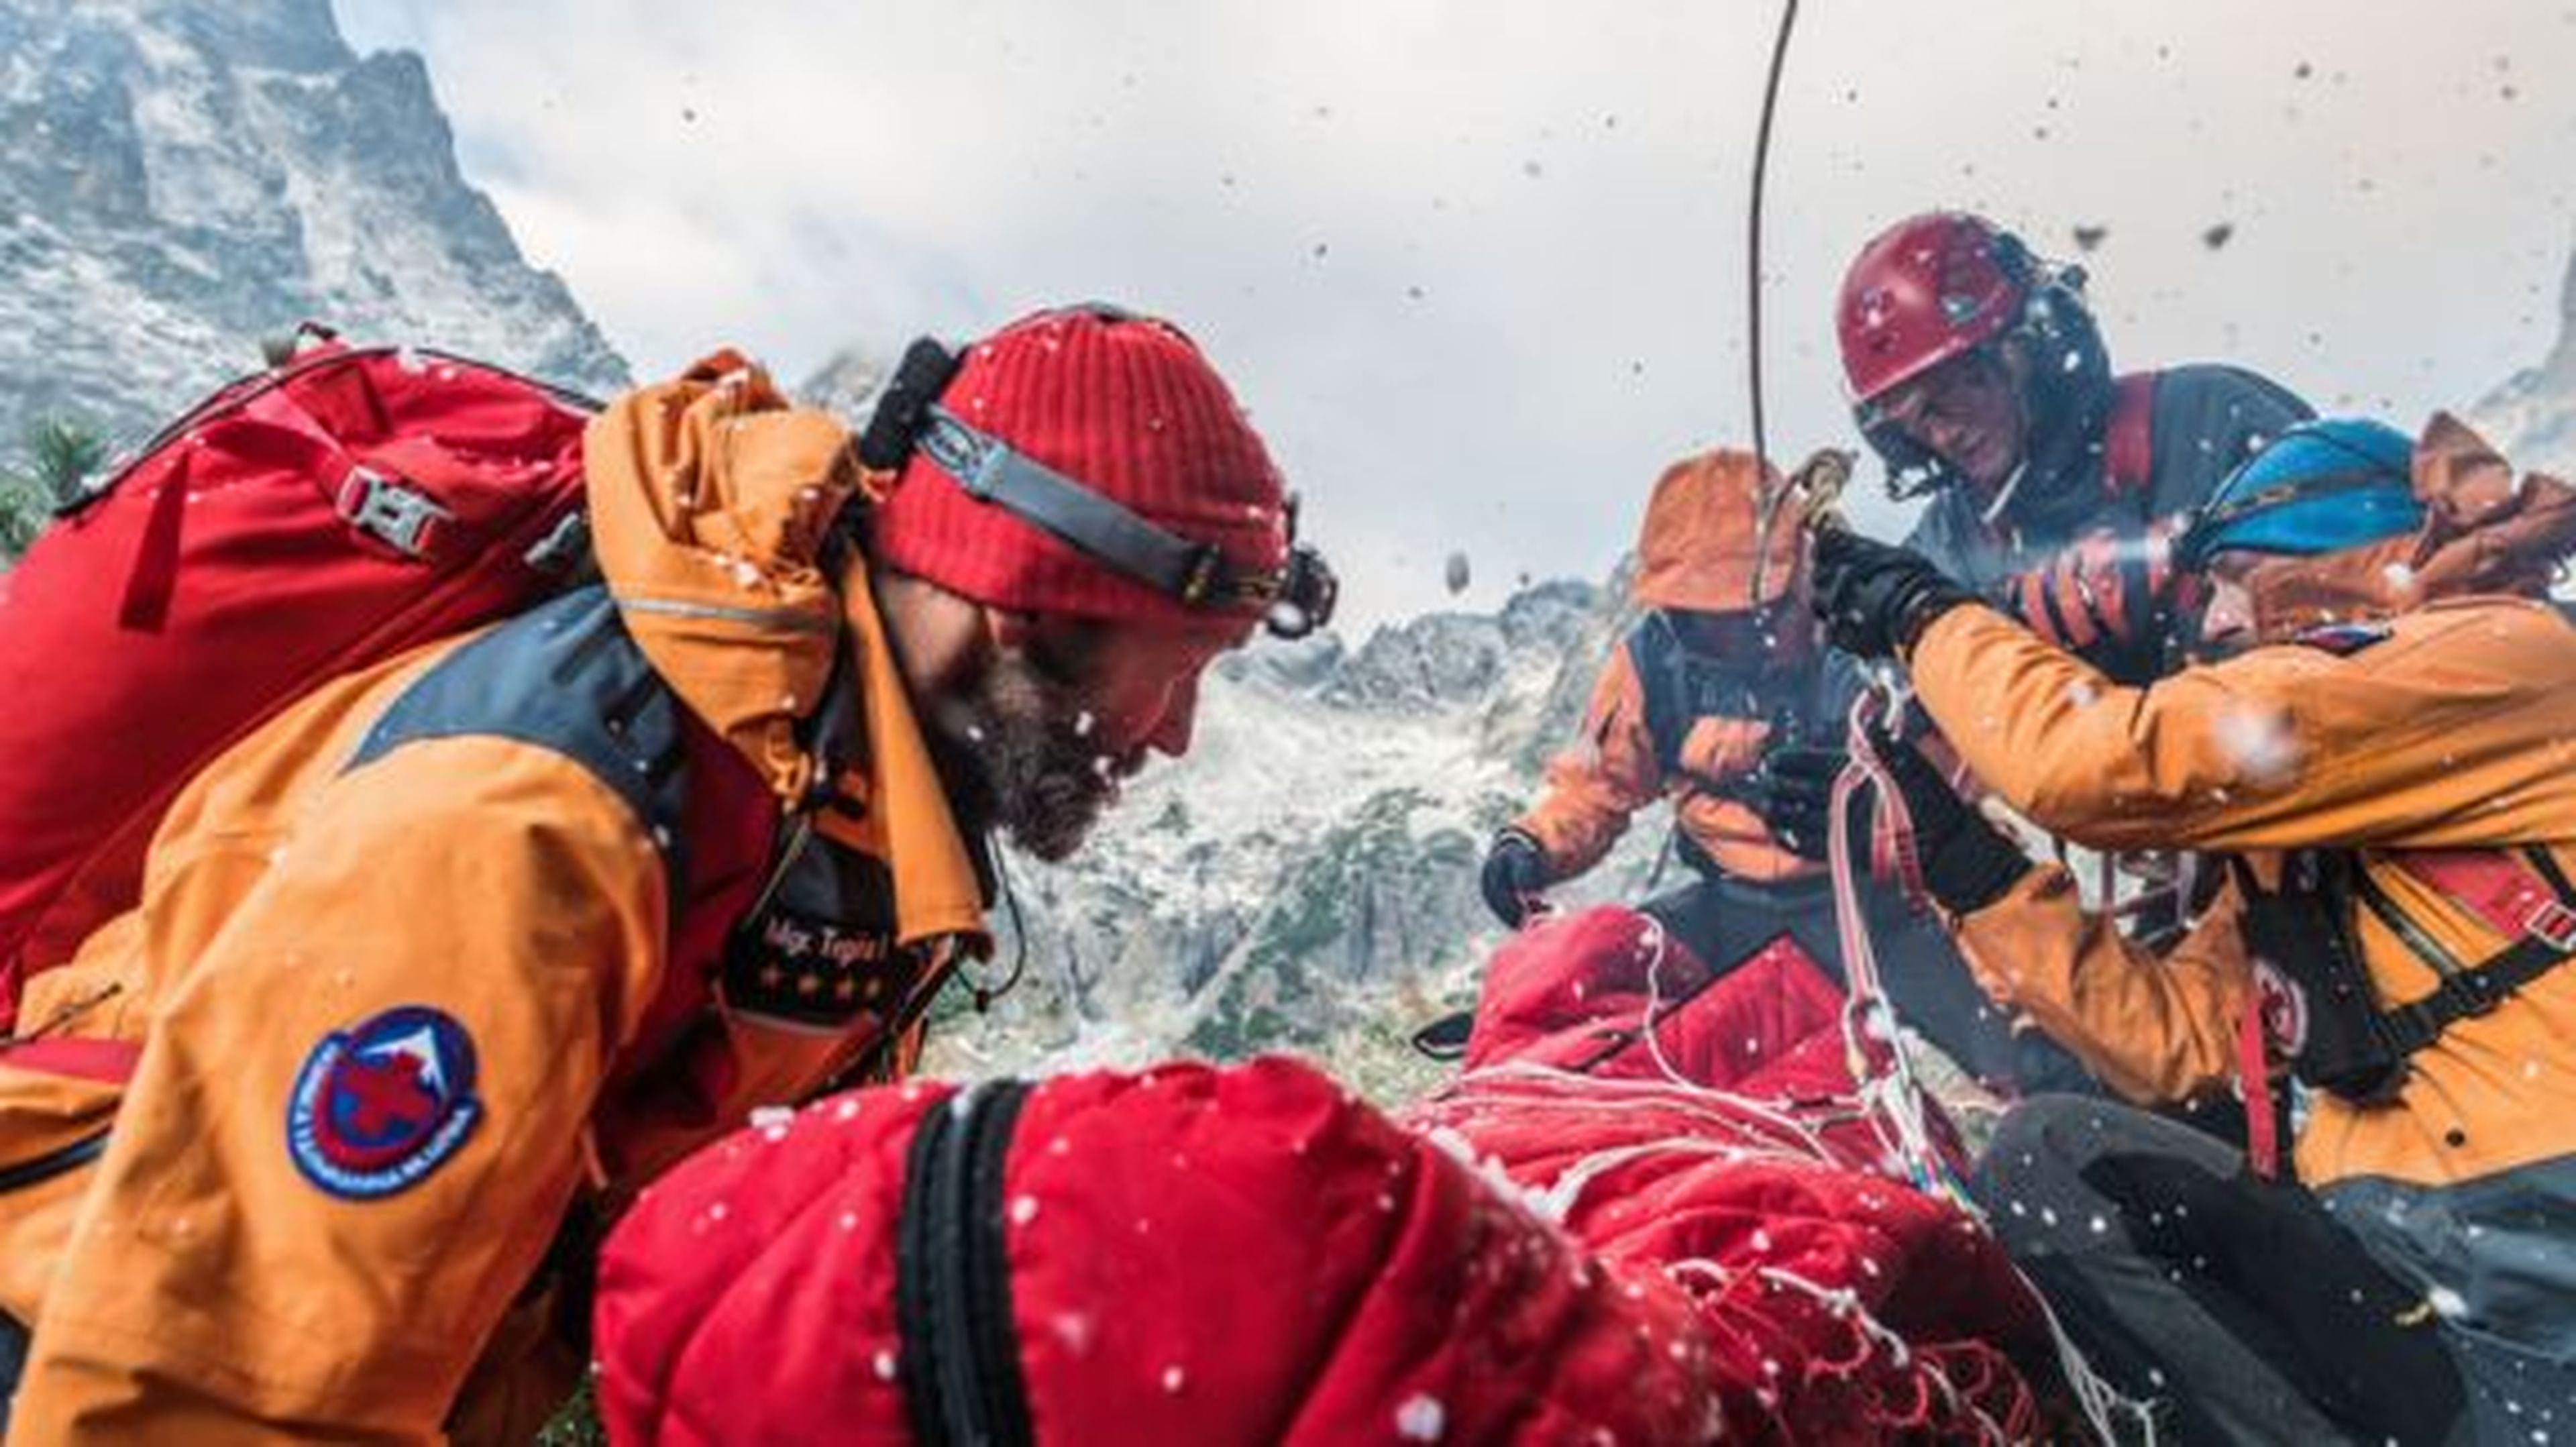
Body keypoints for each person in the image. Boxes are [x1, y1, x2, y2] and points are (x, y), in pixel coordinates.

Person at [0, 304, 1334, 1440]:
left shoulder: (846, 800)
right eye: (1182, 668)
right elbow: (228, 1366)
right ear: (1022, 607)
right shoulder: (547, 811)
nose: (1175, 735)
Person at [1810, 414, 2576, 1441]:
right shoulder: (2314, 821)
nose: (2210, 624)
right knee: (2054, 1166)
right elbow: (2189, 1045)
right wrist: (1965, 862)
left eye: (2232, 582)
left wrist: (1925, 616)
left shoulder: (2492, 652)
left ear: (2331, 553)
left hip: (2535, 1233)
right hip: (2427, 1268)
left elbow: (2097, 763)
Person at [1478, 449, 2088, 1092]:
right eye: (1695, 618)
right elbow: (1599, 785)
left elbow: (1957, 813)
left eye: (1735, 616)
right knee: (1595, 970)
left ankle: (2066, 1135)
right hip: (1730, 905)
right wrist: (1535, 842)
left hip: (1887, 909)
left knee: (2029, 1060)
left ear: (1795, 571)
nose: (1719, 637)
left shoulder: (1864, 640)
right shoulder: (1651, 663)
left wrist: (2021, 1014)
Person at [1839, 210, 2314, 682]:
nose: (1944, 434)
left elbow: (2360, 576)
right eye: (1917, 418)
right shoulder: (1949, 541)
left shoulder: (2210, 419)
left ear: (2029, 347)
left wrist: (2197, 576)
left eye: (1959, 389)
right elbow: (1861, 677)